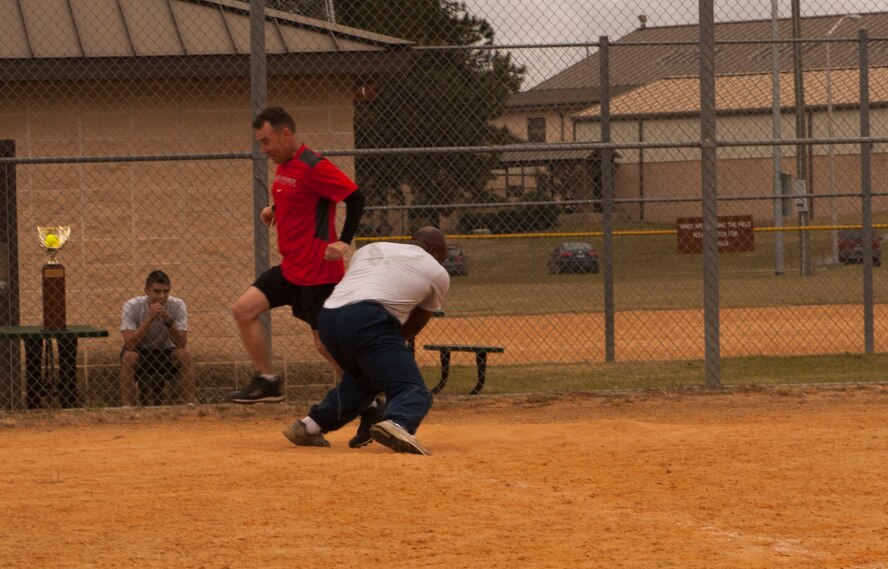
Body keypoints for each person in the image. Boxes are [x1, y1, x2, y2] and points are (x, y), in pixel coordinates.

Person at [225, 107, 370, 408]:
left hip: (318, 275)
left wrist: (344, 241)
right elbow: (298, 194)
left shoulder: (314, 165)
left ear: (285, 134)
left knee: (326, 346)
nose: (263, 149)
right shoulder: (285, 164)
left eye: (266, 141)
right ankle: (268, 381)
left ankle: (366, 402)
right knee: (243, 310)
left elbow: (355, 197)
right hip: (291, 270)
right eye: (260, 143)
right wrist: (274, 209)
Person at [282, 227, 450, 455]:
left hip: (329, 318)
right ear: (433, 250)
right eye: (443, 257)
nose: (442, 263)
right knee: (413, 389)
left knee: (364, 382)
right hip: (368, 319)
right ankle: (398, 423)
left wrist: (381, 356)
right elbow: (417, 322)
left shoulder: (370, 248)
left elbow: (359, 285)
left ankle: (309, 426)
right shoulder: (437, 272)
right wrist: (391, 347)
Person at [119, 270, 196, 406]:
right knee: (128, 356)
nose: (162, 296)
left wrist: (168, 321)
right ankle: (127, 407)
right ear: (147, 291)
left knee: (185, 355)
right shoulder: (131, 305)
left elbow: (181, 343)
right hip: (140, 351)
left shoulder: (178, 305)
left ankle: (190, 405)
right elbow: (130, 344)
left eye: (166, 291)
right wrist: (149, 319)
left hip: (166, 351)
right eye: (156, 291)